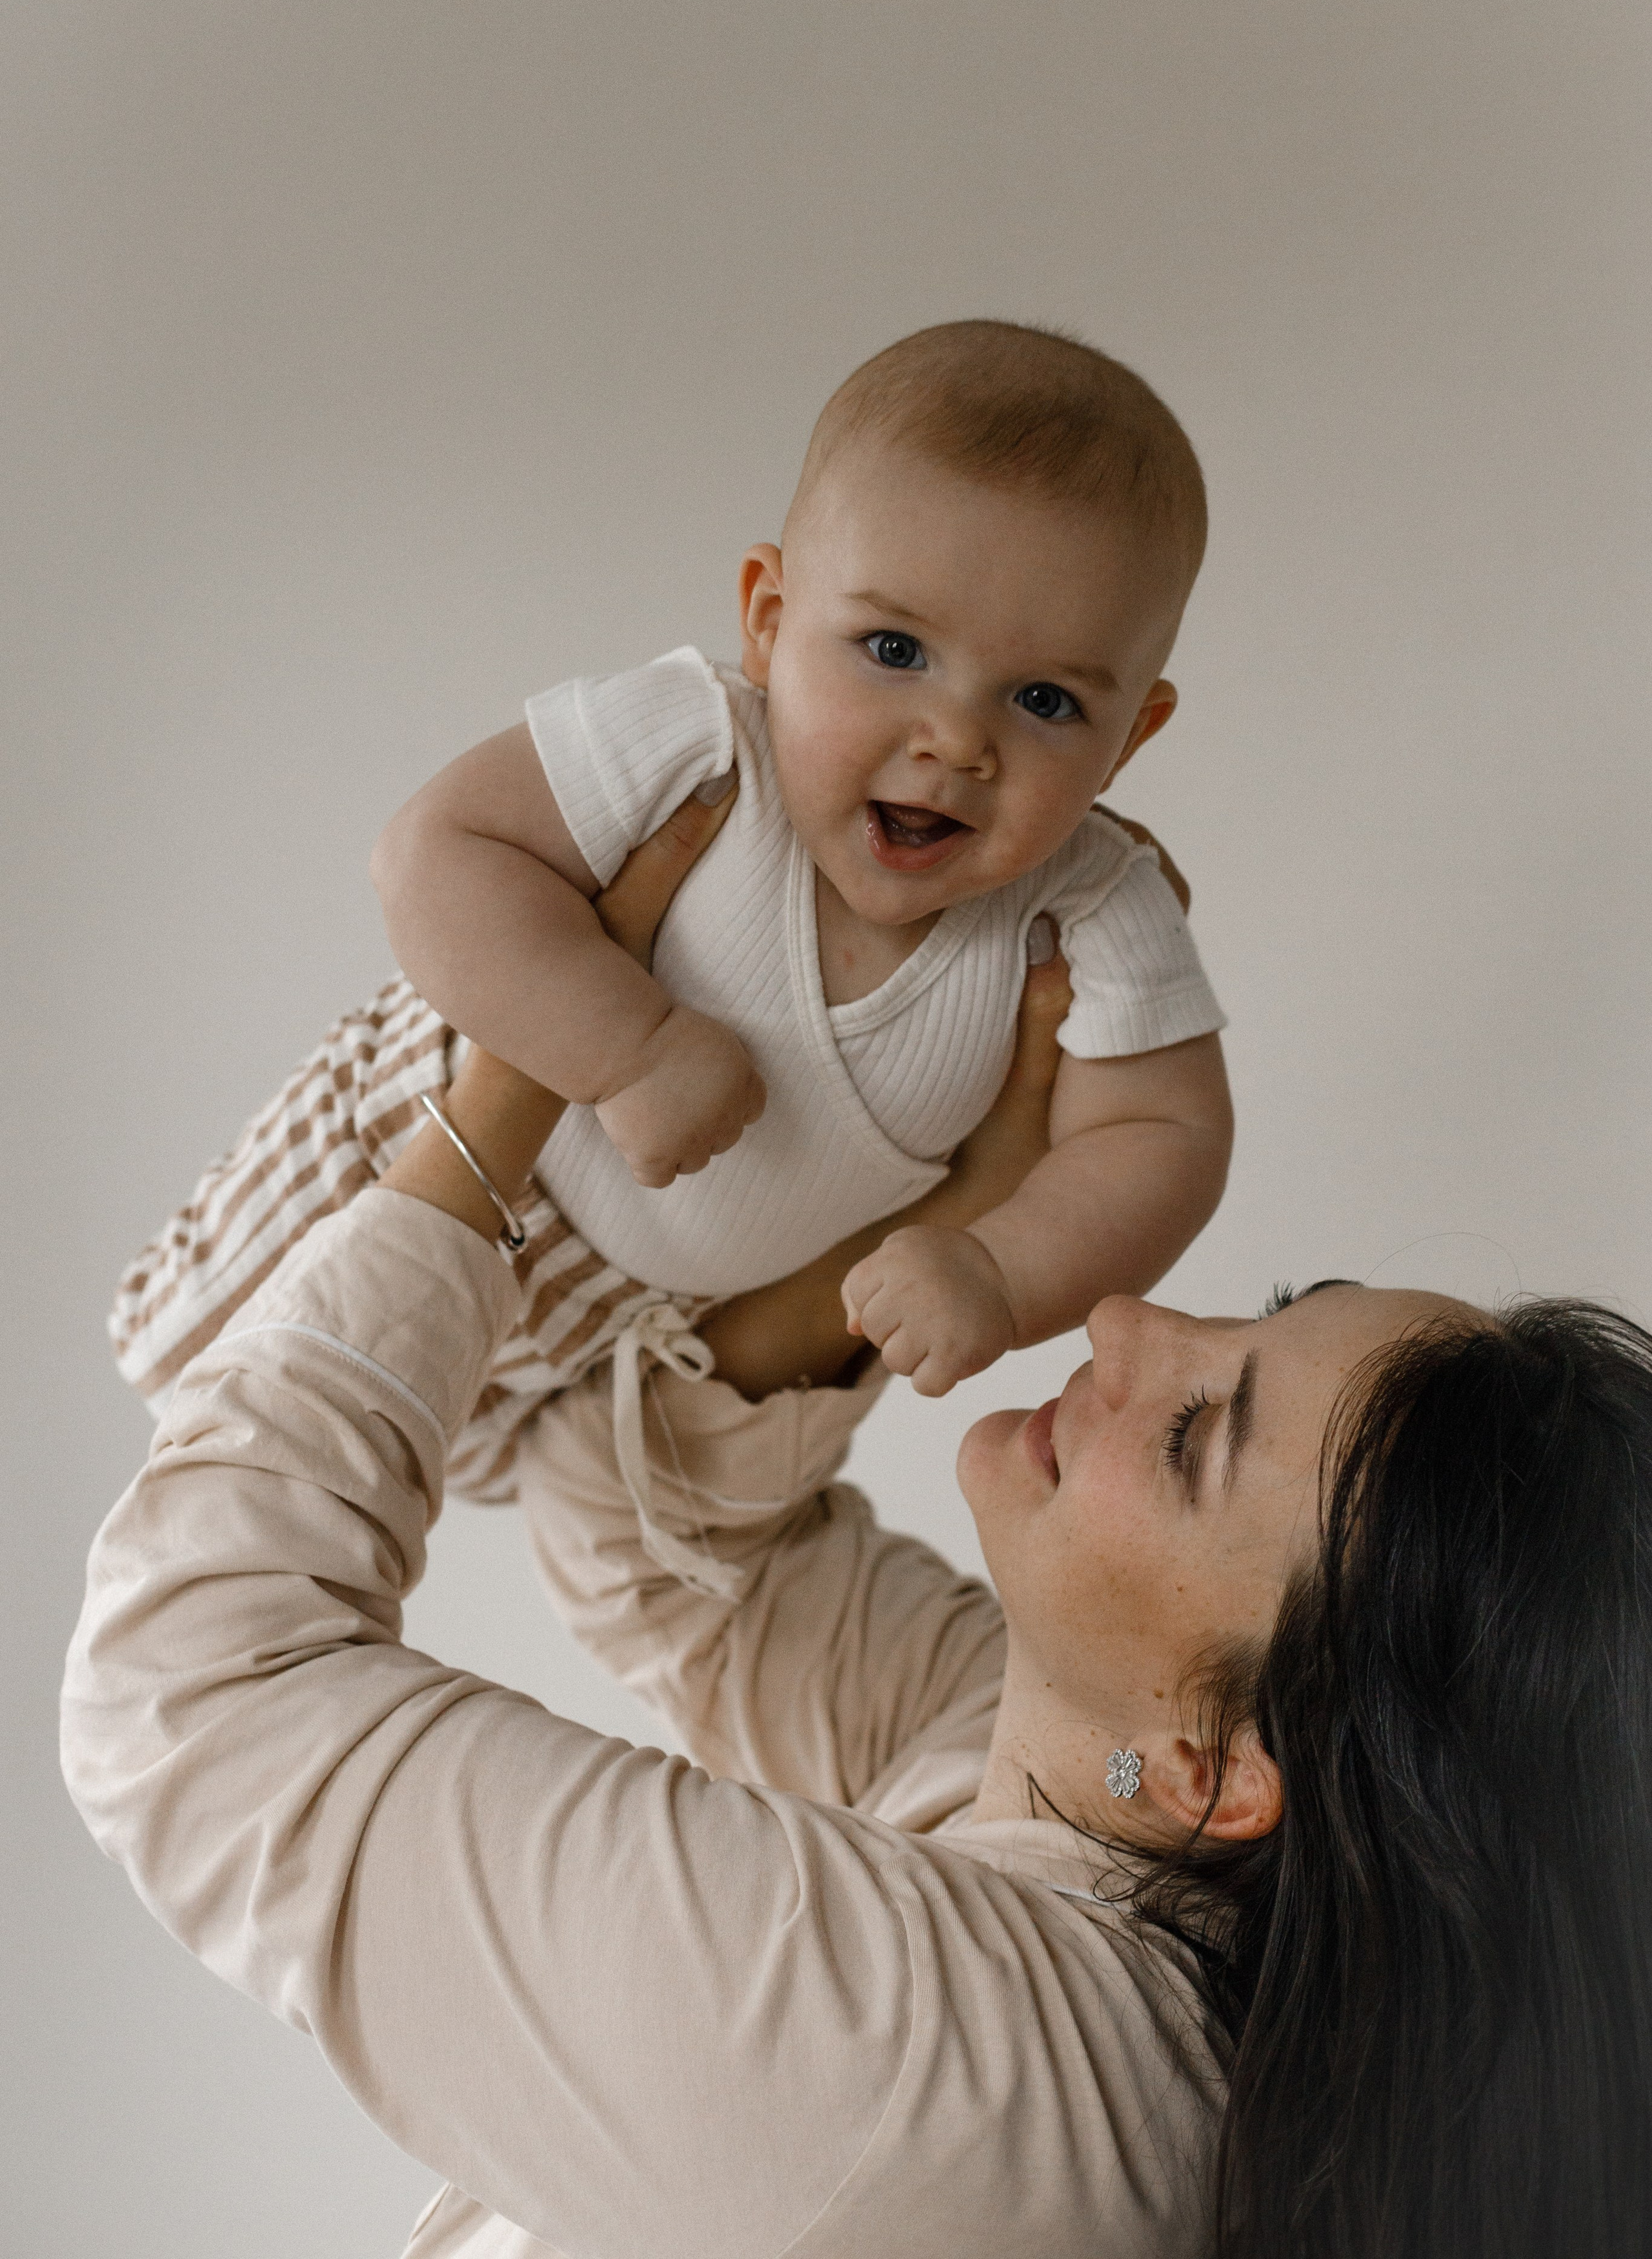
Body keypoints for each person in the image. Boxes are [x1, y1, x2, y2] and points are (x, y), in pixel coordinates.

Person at [65, 807, 1652, 2259]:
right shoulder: (1087, 1818)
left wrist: (501, 1096)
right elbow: (678, 1557)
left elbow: (196, 1689)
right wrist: (956, 1201)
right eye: (1244, 1320)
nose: (1117, 1321)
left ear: (1219, 1769)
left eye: (1190, 1433)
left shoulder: (926, 2071)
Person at [367, 316, 1233, 1401]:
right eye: (895, 651)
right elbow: (438, 849)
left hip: (667, 1341)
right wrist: (626, 1052)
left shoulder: (1094, 903)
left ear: (1130, 740)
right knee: (266, 1414)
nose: (958, 742)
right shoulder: (697, 744)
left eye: (1046, 701)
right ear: (770, 621)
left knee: (653, 1549)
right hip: (417, 1149)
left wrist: (1000, 1268)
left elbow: (1164, 1137)